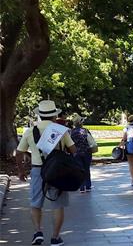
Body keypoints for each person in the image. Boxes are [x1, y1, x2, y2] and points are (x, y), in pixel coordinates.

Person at [15, 100, 77, 246]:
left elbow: (19, 152)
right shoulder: (61, 130)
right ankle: (55, 238)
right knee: (58, 205)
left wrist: (21, 170)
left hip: (37, 170)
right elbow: (74, 150)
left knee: (36, 203)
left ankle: (38, 232)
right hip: (57, 171)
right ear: (55, 116)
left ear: (40, 116)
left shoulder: (30, 132)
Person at [70, 114, 96, 193]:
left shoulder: (71, 132)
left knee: (79, 169)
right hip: (86, 151)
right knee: (86, 168)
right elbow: (91, 140)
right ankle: (88, 186)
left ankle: (81, 187)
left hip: (76, 152)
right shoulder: (85, 130)